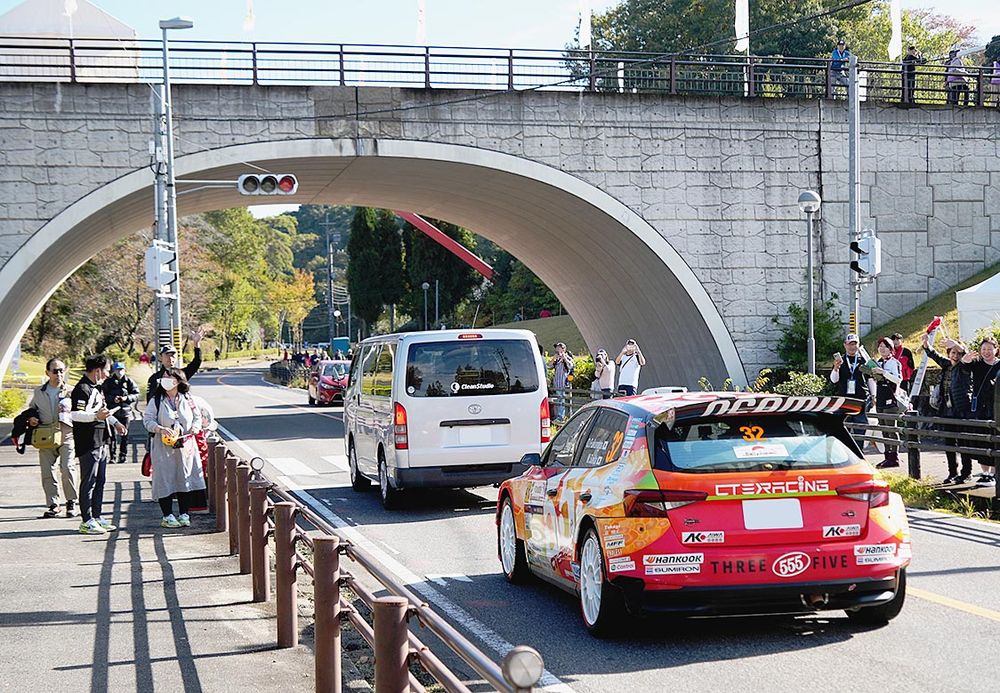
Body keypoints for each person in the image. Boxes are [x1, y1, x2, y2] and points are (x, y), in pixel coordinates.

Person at [71, 354, 126, 535]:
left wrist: (115, 422)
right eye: (106, 371)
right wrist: (96, 417)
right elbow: (75, 415)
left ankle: (97, 516)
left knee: (100, 480)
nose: (107, 375)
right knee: (89, 481)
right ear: (97, 370)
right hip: (88, 442)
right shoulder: (82, 389)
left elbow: (102, 411)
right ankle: (86, 520)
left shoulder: (97, 387)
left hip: (102, 440)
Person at [143, 369, 206, 528]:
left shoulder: (187, 398)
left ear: (178, 381)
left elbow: (197, 417)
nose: (164, 380)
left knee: (184, 478)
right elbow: (147, 420)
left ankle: (184, 514)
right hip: (163, 446)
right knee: (164, 479)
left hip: (185, 446)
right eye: (163, 377)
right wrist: (160, 428)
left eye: (168, 377)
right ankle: (167, 515)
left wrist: (195, 427)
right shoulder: (157, 400)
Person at [27, 358, 78, 518]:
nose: (59, 374)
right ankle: (54, 504)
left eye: (62, 370)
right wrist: (32, 419)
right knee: (47, 471)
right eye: (55, 371)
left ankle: (71, 502)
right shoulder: (39, 392)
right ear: (47, 373)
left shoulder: (71, 391)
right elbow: (31, 410)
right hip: (46, 436)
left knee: (67, 468)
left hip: (66, 434)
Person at [924, 334, 974, 483]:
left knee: (964, 442)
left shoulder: (965, 366)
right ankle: (952, 472)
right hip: (946, 409)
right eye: (953, 352)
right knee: (949, 443)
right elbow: (934, 355)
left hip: (961, 410)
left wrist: (956, 345)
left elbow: (965, 354)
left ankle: (966, 472)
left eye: (958, 353)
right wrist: (926, 345)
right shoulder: (946, 365)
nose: (956, 356)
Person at [956, 335, 999, 485]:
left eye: (989, 349)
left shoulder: (999, 365)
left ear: (996, 349)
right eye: (984, 349)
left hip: (996, 408)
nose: (986, 352)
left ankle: (994, 473)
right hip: (979, 408)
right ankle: (985, 472)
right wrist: (964, 360)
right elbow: (963, 368)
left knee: (994, 440)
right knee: (981, 439)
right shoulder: (977, 363)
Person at [870, 337, 903, 469]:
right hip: (881, 398)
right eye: (880, 346)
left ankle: (894, 457)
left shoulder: (894, 363)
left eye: (885, 346)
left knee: (891, 428)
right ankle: (887, 456)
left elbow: (898, 380)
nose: (882, 349)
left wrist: (883, 372)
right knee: (883, 428)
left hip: (891, 398)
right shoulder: (878, 362)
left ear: (891, 349)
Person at [829, 334, 871, 437]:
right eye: (850, 344)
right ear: (845, 345)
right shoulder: (840, 361)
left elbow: (870, 379)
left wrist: (873, 396)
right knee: (843, 431)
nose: (852, 347)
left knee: (860, 430)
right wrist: (836, 368)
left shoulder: (864, 360)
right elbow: (834, 380)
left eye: (854, 344)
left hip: (860, 399)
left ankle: (859, 451)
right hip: (844, 400)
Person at [146, 331, 203, 403]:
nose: (170, 358)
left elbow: (197, 362)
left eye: (172, 355)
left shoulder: (181, 374)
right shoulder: (154, 378)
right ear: (161, 358)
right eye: (167, 355)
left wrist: (196, 344)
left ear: (176, 358)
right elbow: (150, 400)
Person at [102, 361, 139, 464]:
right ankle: (112, 456)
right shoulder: (108, 382)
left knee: (124, 435)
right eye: (117, 370)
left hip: (125, 412)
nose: (119, 372)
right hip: (112, 412)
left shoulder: (129, 381)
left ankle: (123, 456)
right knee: (112, 436)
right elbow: (103, 395)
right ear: (114, 371)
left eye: (121, 369)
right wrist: (113, 399)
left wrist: (125, 398)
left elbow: (136, 394)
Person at [549, 343, 574, 420]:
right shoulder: (556, 359)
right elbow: (548, 366)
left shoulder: (567, 358)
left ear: (563, 349)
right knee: (558, 400)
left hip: (563, 383)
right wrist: (554, 359)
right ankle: (559, 416)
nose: (556, 349)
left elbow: (571, 366)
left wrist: (564, 358)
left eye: (558, 348)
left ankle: (561, 417)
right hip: (556, 383)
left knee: (561, 400)